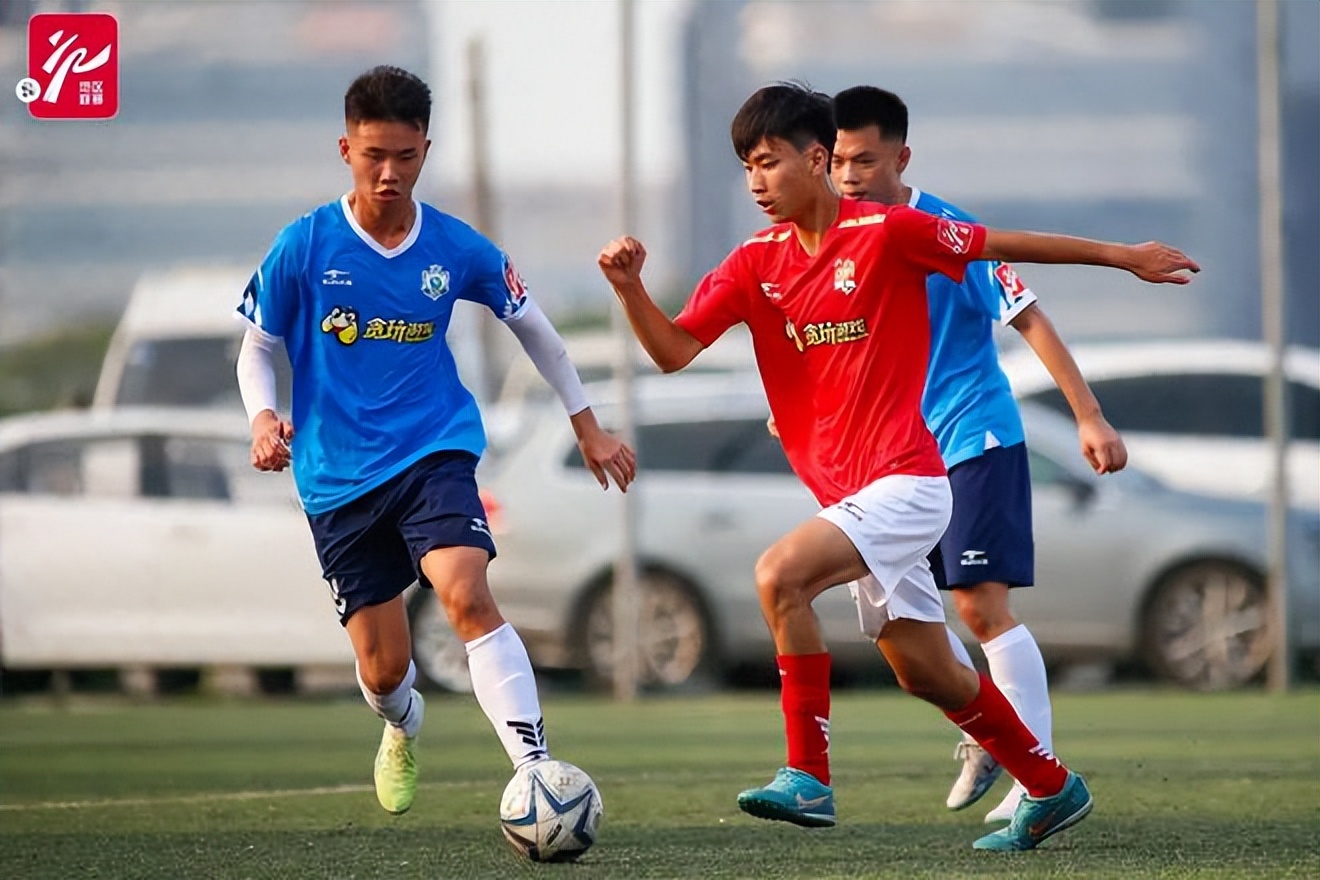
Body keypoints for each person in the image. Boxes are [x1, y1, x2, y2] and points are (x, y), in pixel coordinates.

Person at [597, 82, 1197, 851]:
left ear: (816, 159)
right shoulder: (754, 262)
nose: (755, 182)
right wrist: (629, 289)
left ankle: (808, 776)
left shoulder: (889, 232)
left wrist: (1124, 257)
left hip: (909, 481)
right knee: (925, 670)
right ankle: (1051, 787)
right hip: (850, 494)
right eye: (747, 166)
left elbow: (1001, 245)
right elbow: (674, 351)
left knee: (780, 576)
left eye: (769, 162)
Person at [234, 66, 636, 817]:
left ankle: (535, 770)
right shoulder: (304, 246)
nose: (389, 173)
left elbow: (536, 331)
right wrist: (262, 417)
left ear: (425, 149)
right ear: (346, 149)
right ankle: (402, 723)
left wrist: (586, 424)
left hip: (433, 451)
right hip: (336, 477)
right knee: (384, 670)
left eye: (405, 156)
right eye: (373, 155)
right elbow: (257, 348)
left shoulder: (456, 247)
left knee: (466, 592)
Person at [830, 85, 1129, 823]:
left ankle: (1038, 776)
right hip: (893, 458)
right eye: (837, 161)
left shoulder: (947, 230)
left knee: (980, 605)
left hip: (973, 436)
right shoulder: (835, 240)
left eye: (865, 160)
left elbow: (1029, 317)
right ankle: (990, 731)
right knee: (904, 635)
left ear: (902, 158)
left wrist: (1090, 417)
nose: (849, 176)